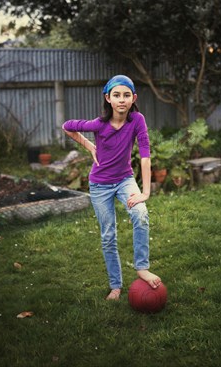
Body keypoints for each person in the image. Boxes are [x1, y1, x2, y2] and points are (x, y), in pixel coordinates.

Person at [62, 75, 162, 301]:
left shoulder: (137, 120)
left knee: (141, 214)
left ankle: (141, 267)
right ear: (108, 98)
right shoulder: (98, 124)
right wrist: (89, 145)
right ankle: (115, 286)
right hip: (99, 186)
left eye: (126, 95)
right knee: (108, 236)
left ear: (133, 98)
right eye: (116, 95)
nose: (121, 100)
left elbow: (145, 155)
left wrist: (145, 193)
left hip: (125, 180)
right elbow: (67, 126)